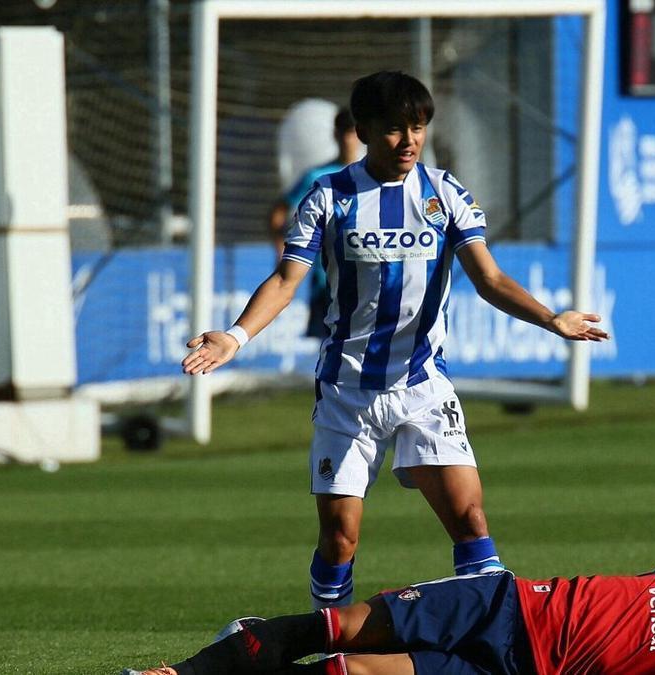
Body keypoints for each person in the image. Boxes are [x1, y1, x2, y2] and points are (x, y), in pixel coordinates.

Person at [181, 71, 610, 611]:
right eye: (393, 129)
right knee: (340, 539)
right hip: (347, 393)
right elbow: (287, 280)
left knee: (470, 519)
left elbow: (491, 280)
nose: (409, 140)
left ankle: (492, 641)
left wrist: (552, 320)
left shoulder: (444, 193)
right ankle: (333, 641)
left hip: (423, 387)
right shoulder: (329, 197)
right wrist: (236, 336)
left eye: (418, 127)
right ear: (361, 130)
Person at [120, 450, 655, 675]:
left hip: (509, 670)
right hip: (500, 604)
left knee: (347, 674)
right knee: (330, 630)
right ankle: (179, 673)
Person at [268, 107, 361, 338]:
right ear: (336, 135)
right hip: (327, 280)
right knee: (331, 346)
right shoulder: (318, 177)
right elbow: (278, 213)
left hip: (367, 278)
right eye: (344, 132)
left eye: (354, 132)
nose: (349, 139)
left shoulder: (376, 176)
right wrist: (281, 252)